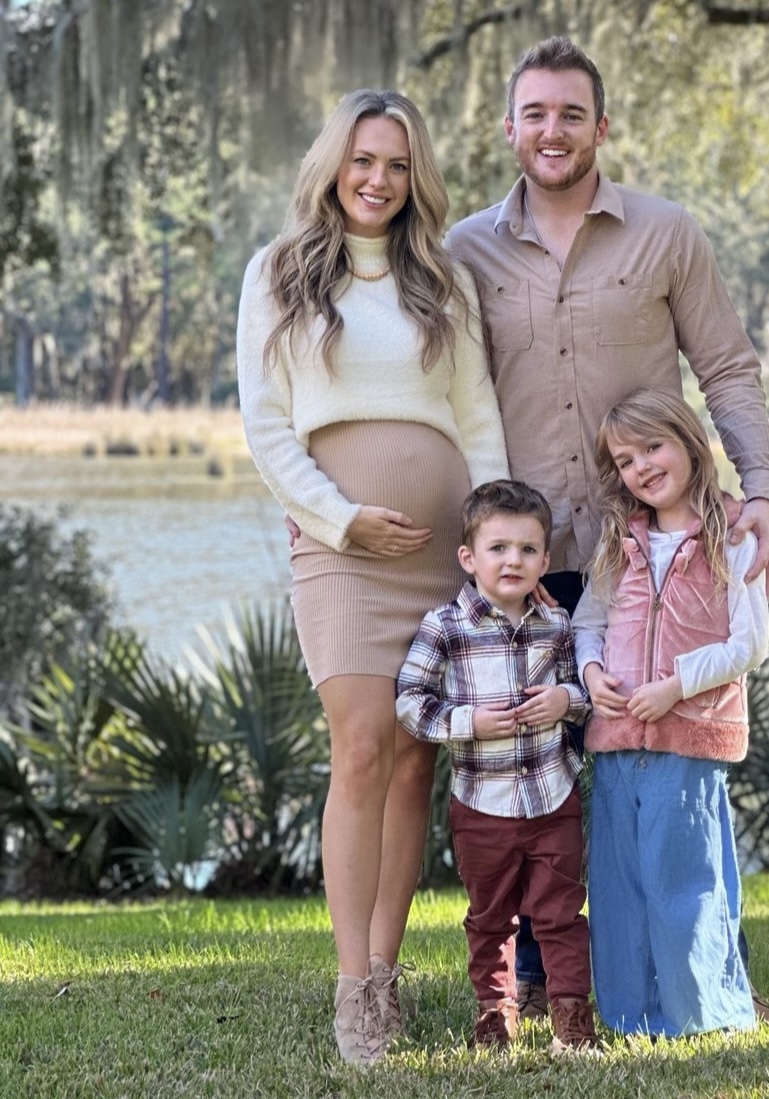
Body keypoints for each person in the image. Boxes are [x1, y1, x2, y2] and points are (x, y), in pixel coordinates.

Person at [445, 35, 769, 1020]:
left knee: (670, 758)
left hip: (652, 552)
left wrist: (760, 487)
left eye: (571, 113)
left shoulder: (666, 233)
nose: (552, 131)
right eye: (535, 113)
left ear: (601, 126)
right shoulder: (464, 250)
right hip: (527, 560)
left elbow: (726, 368)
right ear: (508, 127)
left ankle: (697, 962)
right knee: (535, 771)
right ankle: (545, 978)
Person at [235, 89, 509, 1065]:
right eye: (362, 160)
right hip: (339, 549)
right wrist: (341, 516)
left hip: (440, 553)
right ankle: (352, 986)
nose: (378, 180)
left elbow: (477, 416)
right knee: (359, 748)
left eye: (396, 164)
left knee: (413, 760)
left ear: (414, 177)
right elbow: (266, 424)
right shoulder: (277, 273)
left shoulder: (444, 279)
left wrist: (490, 543)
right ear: (333, 165)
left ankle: (388, 972)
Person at [572, 387, 769, 1036]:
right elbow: (589, 623)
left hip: (688, 736)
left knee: (683, 879)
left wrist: (675, 687)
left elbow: (748, 644)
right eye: (625, 460)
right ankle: (631, 1017)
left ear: (688, 442)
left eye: (652, 447)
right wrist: (592, 673)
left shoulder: (732, 535)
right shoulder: (619, 540)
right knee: (620, 883)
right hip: (617, 737)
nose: (642, 468)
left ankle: (700, 1012)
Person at [395, 480, 598, 1054]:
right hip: (482, 806)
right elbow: (409, 701)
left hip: (553, 797)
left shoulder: (556, 625)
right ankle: (495, 1013)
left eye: (528, 550)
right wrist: (469, 723)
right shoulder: (446, 627)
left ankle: (571, 1020)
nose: (514, 560)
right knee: (490, 917)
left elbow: (582, 691)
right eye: (499, 548)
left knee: (561, 912)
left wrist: (564, 701)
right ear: (469, 558)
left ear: (545, 561)